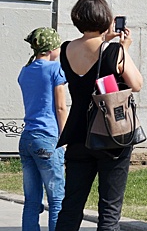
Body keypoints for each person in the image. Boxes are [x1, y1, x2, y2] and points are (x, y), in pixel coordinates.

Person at [55, 0, 143, 230]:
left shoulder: (66, 49)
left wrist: (108, 41)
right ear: (106, 19)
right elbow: (136, 83)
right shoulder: (114, 51)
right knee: (109, 211)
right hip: (111, 135)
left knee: (71, 206)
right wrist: (124, 48)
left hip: (77, 135)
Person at [18, 27, 68, 231]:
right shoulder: (55, 69)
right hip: (48, 138)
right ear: (50, 49)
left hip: (27, 138)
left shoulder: (25, 71)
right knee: (57, 200)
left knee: (31, 200)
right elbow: (60, 107)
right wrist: (65, 139)